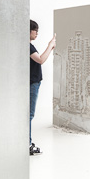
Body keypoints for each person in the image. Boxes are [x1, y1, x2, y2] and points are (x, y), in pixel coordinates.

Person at [30, 20, 56, 156]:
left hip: (33, 83)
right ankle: (27, 144)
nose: (37, 33)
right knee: (29, 114)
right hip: (32, 84)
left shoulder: (29, 46)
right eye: (35, 30)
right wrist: (50, 46)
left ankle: (26, 142)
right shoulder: (28, 47)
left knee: (28, 114)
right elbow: (40, 60)